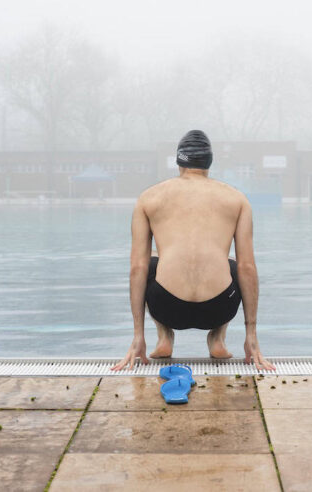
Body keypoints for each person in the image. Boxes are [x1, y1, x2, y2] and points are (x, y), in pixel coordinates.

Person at [112, 130, 275, 371]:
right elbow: (247, 268)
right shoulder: (237, 199)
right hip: (219, 309)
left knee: (151, 261)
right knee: (232, 264)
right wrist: (251, 334)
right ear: (209, 162)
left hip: (167, 308)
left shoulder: (149, 198)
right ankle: (217, 339)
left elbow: (138, 267)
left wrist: (138, 336)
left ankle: (164, 337)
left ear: (179, 161)